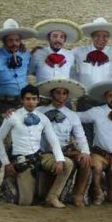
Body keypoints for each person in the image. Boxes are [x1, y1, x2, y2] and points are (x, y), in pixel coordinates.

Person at [0, 19, 37, 193]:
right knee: (3, 141)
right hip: (2, 103)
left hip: (21, 103)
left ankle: (6, 180)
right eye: (11, 40)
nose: (14, 43)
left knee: (16, 141)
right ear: (4, 40)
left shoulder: (25, 56)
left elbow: (32, 68)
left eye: (17, 40)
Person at [0, 85, 70, 207]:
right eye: (28, 99)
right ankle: (9, 184)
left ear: (38, 100)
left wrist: (60, 160)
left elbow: (54, 140)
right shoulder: (12, 117)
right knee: (26, 202)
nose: (31, 102)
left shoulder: (43, 118)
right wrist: (6, 162)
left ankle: (52, 196)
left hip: (39, 156)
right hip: (22, 160)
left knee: (68, 164)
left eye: (34, 99)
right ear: (22, 100)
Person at [35, 78, 91, 207]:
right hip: (46, 152)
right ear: (52, 94)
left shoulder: (72, 115)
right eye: (58, 92)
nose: (61, 96)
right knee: (67, 164)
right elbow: (23, 113)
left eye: (64, 93)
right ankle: (52, 195)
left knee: (86, 160)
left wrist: (85, 152)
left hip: (66, 149)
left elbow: (80, 136)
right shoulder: (40, 111)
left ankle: (78, 194)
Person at [29, 19, 81, 83]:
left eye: (61, 37)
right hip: (42, 91)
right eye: (55, 36)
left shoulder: (70, 55)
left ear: (64, 40)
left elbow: (72, 75)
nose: (58, 40)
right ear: (49, 38)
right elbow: (29, 71)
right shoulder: (37, 53)